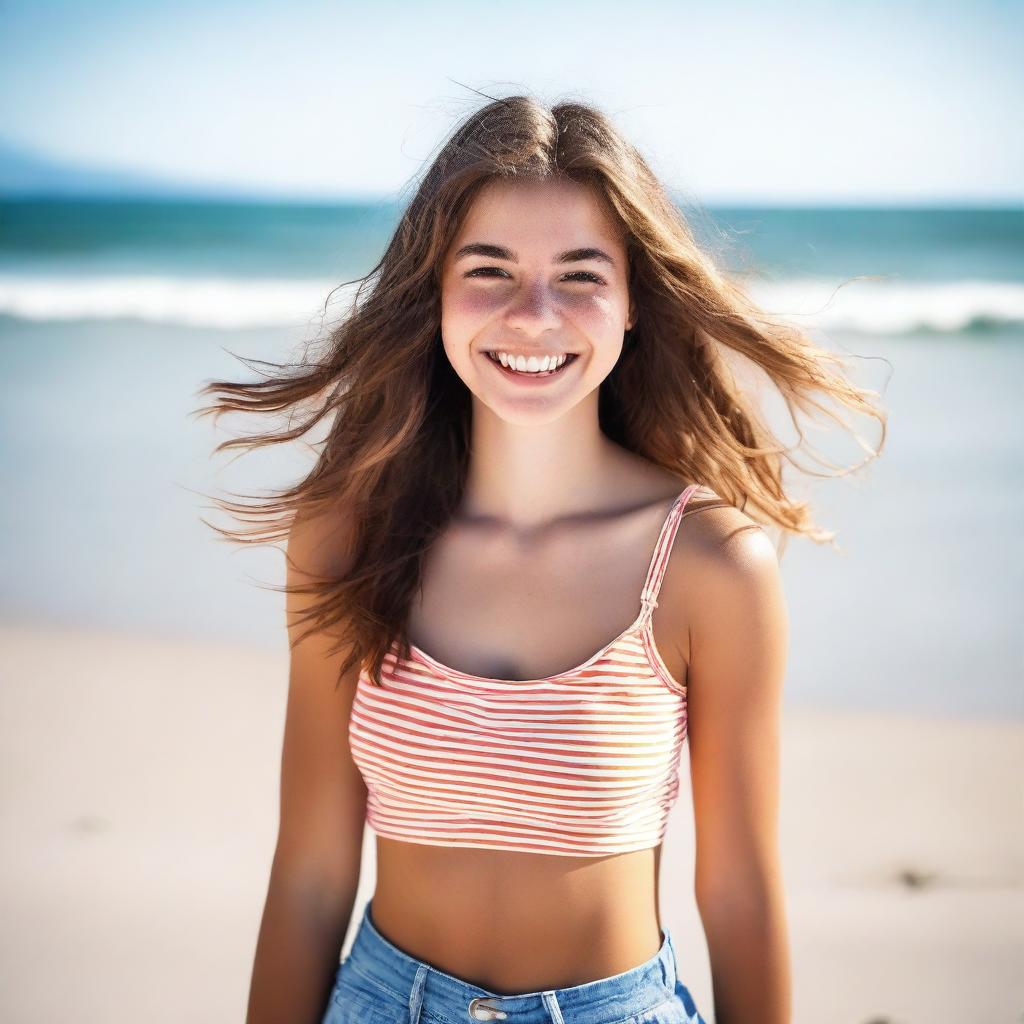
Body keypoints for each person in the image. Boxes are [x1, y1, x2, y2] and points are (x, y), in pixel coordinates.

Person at [200, 93, 885, 1024]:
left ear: (634, 300)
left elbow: (739, 896)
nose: (534, 315)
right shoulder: (345, 537)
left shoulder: (710, 566)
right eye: (490, 270)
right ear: (432, 291)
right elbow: (312, 872)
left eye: (579, 275)